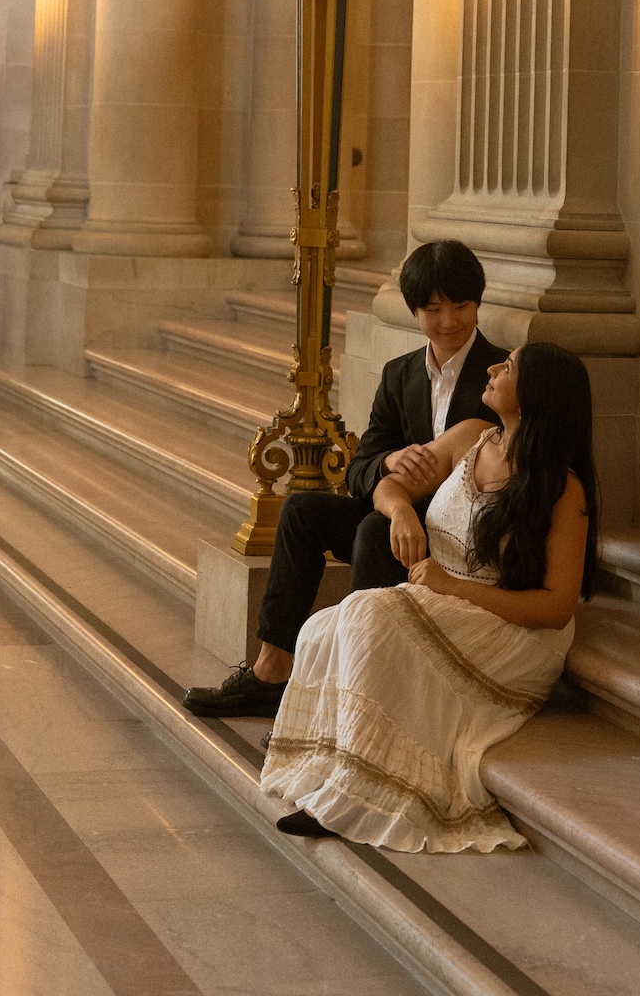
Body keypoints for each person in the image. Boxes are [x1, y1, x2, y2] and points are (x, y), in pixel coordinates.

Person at [261, 341, 598, 853]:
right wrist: (400, 512)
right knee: (329, 623)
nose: (491, 367)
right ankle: (337, 771)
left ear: (535, 394)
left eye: (506, 368)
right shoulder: (471, 437)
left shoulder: (561, 489)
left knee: (369, 617)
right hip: (443, 597)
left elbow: (555, 608)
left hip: (508, 629)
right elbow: (387, 486)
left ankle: (360, 794)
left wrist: (453, 587)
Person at [183, 241, 509, 720]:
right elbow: (358, 469)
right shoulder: (400, 375)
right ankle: (271, 670)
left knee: (372, 532)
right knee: (301, 510)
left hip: (460, 531)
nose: (449, 321)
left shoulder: (500, 374)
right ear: (415, 311)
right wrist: (389, 462)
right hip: (398, 509)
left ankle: (351, 687)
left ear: (477, 302)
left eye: (460, 305)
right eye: (434, 309)